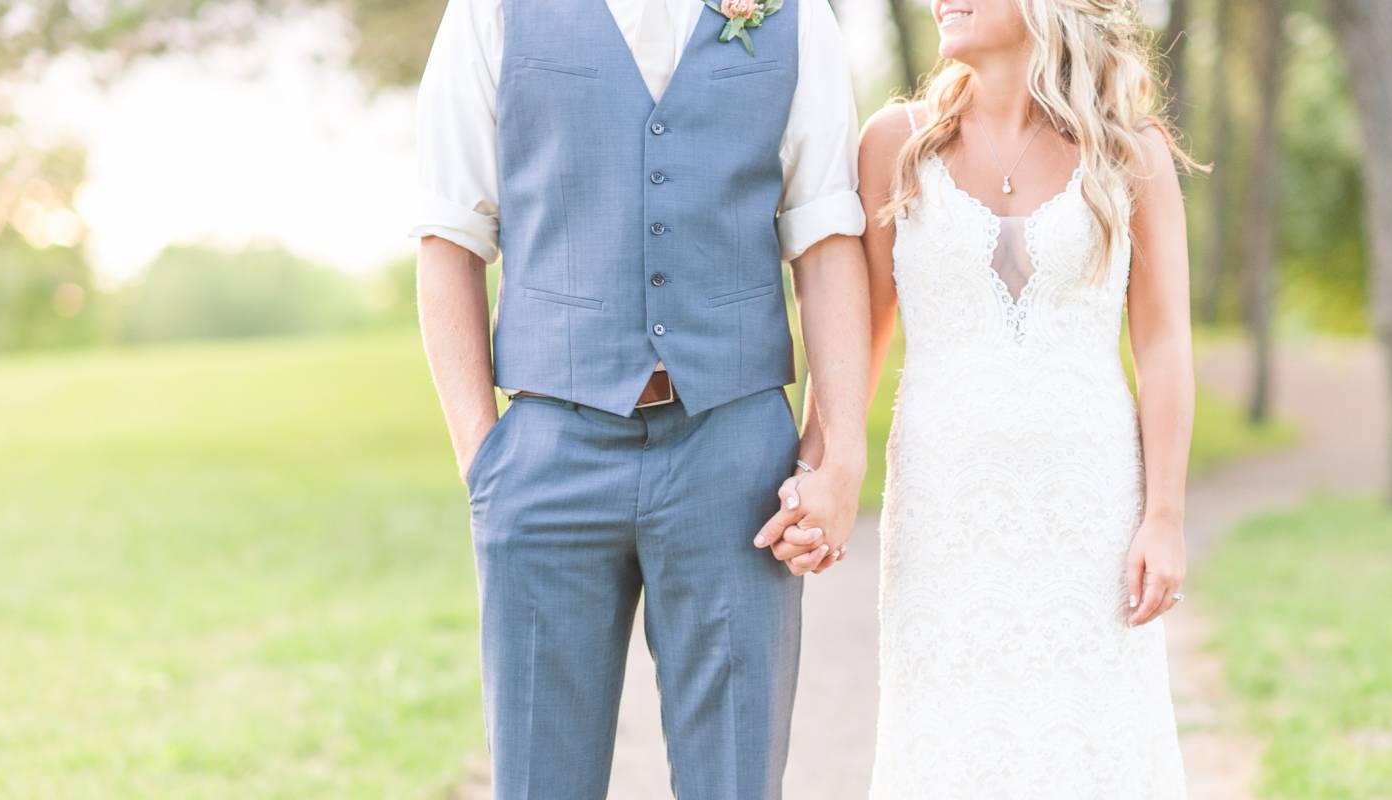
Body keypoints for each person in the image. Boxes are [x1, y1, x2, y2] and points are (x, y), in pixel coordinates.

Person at [409, 0, 872, 797]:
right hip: (547, 453)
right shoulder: (493, 11)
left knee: (736, 779)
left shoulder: (797, 16)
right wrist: (484, 462)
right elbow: (449, 233)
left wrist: (841, 455)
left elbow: (826, 235)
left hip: (736, 456)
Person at [838, 0, 1202, 794]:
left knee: (1091, 745)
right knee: (949, 745)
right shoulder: (894, 144)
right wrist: (826, 467)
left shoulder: (1129, 150)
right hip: (943, 514)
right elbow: (857, 336)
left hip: (1090, 514)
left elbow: (1165, 345)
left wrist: (1165, 517)